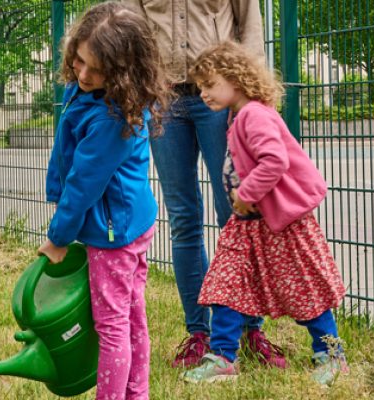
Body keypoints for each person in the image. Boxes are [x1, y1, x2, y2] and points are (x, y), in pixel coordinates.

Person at [122, 0, 282, 368]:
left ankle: (248, 328)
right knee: (183, 219)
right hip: (165, 102)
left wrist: (247, 95)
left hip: (220, 97)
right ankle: (199, 333)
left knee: (237, 214)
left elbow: (250, 27)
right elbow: (132, 29)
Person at [179, 41, 348, 386]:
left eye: (210, 85)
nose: (204, 94)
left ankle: (330, 355)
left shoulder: (255, 114)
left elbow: (275, 161)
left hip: (282, 225)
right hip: (248, 225)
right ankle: (224, 356)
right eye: (201, 88)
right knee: (224, 285)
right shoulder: (238, 115)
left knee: (304, 290)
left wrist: (246, 193)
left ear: (236, 79)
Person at [38, 2, 169, 398]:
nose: (82, 74)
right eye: (79, 61)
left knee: (111, 326)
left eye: (96, 69)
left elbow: (84, 183)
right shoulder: (90, 92)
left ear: (123, 72)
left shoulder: (114, 119)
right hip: (131, 221)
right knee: (131, 315)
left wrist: (59, 237)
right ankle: (137, 394)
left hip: (114, 233)